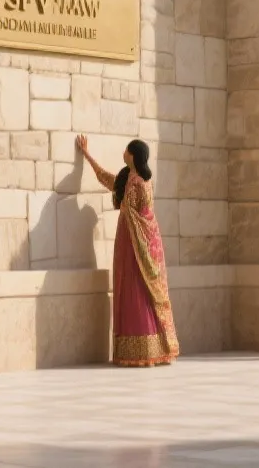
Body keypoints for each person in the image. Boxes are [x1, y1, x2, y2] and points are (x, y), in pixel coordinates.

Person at [76, 134, 179, 366]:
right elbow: (105, 177)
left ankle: (146, 351)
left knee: (137, 288)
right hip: (130, 240)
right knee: (129, 286)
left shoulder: (140, 182)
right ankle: (139, 350)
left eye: (126, 150)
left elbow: (139, 213)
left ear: (133, 156)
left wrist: (139, 241)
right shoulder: (127, 178)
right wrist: (87, 154)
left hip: (136, 243)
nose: (123, 153)